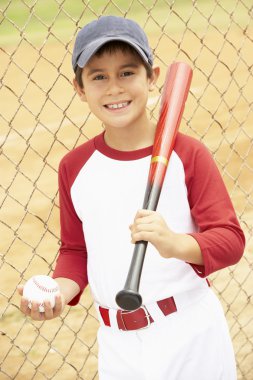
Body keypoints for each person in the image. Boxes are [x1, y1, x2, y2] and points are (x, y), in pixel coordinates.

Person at [18, 15, 245, 380]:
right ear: (79, 88)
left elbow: (231, 240)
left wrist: (176, 244)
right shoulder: (75, 167)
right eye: (98, 77)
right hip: (117, 345)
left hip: (188, 335)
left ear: (152, 76)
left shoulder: (187, 155)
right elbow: (76, 251)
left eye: (127, 73)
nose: (114, 88)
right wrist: (59, 290)